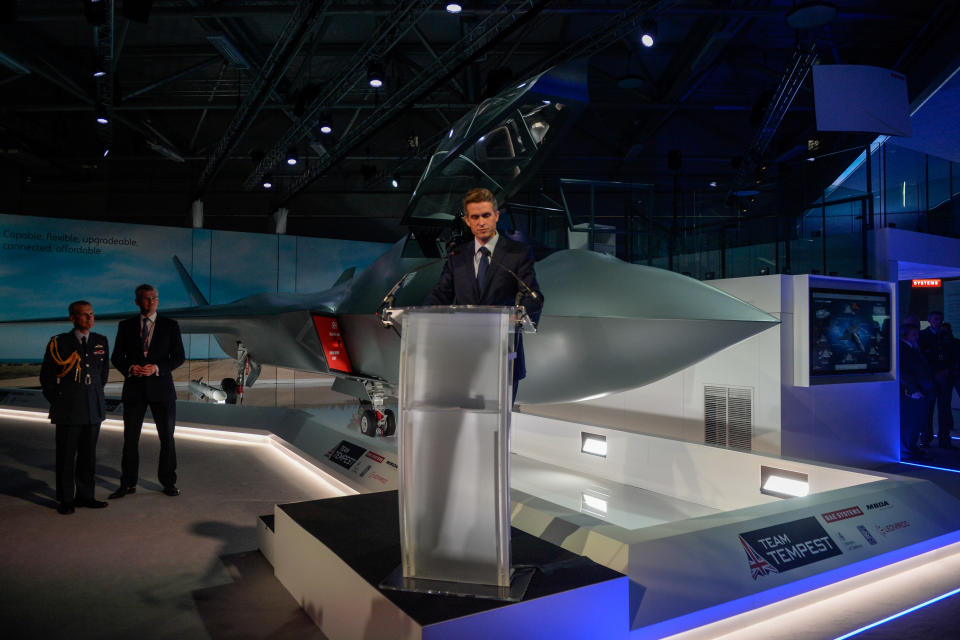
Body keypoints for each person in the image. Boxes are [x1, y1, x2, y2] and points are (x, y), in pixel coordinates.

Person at [424, 187, 544, 400]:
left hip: (504, 356)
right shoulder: (457, 256)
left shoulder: (517, 254)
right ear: (468, 221)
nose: (481, 222)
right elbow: (441, 293)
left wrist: (521, 315)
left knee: (498, 429)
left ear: (497, 216)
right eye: (475, 217)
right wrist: (422, 318)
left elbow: (532, 296)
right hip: (464, 358)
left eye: (486, 215)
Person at [110, 284, 185, 498]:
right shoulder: (125, 326)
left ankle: (168, 483)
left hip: (162, 390)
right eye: (146, 298)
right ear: (137, 301)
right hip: (134, 389)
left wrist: (158, 368)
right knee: (130, 439)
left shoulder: (171, 325)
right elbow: (117, 356)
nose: (151, 302)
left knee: (167, 439)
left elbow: (179, 357)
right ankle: (127, 483)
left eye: (154, 298)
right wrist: (130, 368)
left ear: (158, 301)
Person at [39, 301, 110, 514]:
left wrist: (93, 395)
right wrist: (60, 402)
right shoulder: (59, 342)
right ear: (72, 318)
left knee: (88, 456)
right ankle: (66, 499)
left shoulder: (101, 341)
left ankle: (86, 496)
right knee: (66, 456)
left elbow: (102, 374)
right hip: (68, 410)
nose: (89, 318)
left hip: (92, 408)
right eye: (84, 315)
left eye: (91, 314)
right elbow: (47, 378)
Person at [919, 310, 955, 448]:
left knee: (944, 409)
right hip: (930, 379)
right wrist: (934, 373)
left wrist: (947, 370)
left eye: (940, 319)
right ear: (929, 320)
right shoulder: (922, 336)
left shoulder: (946, 335)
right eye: (935, 319)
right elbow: (922, 358)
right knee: (928, 409)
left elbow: (952, 355)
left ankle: (944, 439)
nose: (938, 322)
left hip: (945, 378)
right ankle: (926, 438)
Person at [899, 323, 933, 461]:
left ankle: (912, 448)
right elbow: (902, 372)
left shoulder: (911, 347)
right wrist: (913, 389)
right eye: (914, 334)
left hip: (920, 390)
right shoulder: (902, 349)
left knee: (917, 421)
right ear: (905, 334)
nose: (917, 336)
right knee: (910, 422)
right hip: (913, 392)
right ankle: (907, 451)